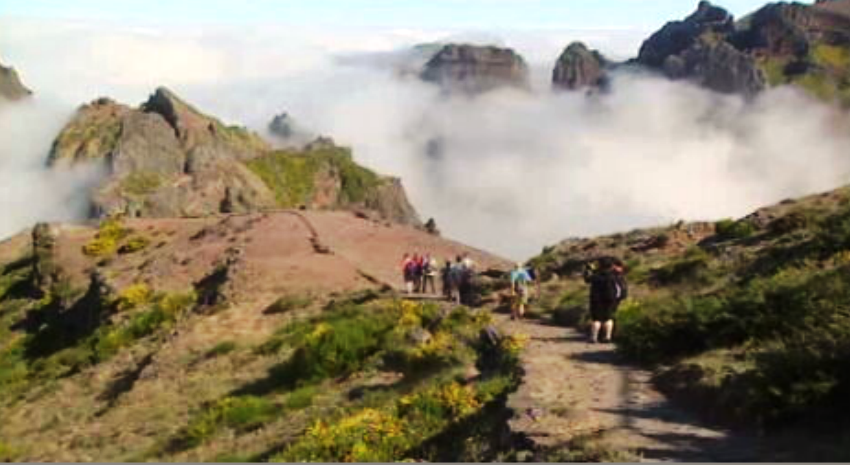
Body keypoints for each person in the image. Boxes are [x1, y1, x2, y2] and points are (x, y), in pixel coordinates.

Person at [583, 257, 626, 343]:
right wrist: (620, 297)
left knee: (596, 319)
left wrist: (588, 269)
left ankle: (593, 337)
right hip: (611, 299)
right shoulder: (615, 275)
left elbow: (587, 279)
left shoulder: (596, 275)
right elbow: (621, 287)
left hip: (596, 299)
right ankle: (607, 337)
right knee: (608, 318)